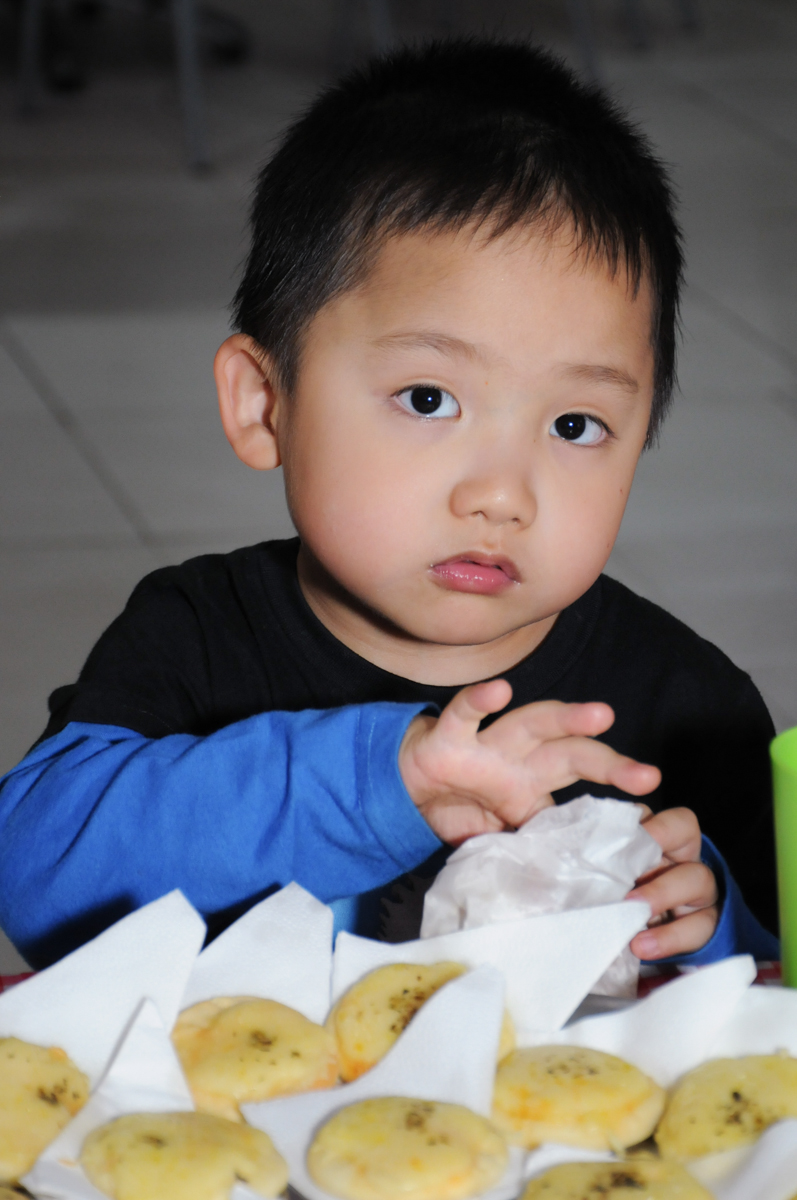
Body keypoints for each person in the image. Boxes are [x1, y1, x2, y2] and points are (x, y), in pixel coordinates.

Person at [0, 39, 779, 970]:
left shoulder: (687, 707)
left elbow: (771, 991)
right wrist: (383, 783)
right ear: (264, 403)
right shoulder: (197, 639)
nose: (500, 493)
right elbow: (32, 878)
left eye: (574, 424)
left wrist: (708, 923)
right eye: (427, 399)